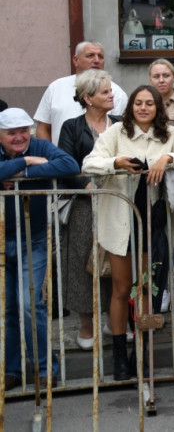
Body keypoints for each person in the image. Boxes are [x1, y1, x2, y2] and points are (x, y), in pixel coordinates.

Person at [83, 86, 174, 381]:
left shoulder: (169, 134)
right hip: (122, 220)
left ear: (157, 108)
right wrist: (116, 163)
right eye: (139, 103)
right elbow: (88, 163)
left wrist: (169, 158)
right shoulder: (116, 133)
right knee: (123, 289)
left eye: (150, 103)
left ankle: (144, 351)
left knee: (147, 289)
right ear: (131, 106)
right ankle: (120, 355)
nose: (144, 107)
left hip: (154, 221)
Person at [1, 108, 78, 390]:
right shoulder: (30, 152)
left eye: (24, 130)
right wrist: (25, 162)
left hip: (32, 240)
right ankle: (11, 370)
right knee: (7, 308)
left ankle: (45, 368)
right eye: (12, 133)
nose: (20, 137)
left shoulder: (41, 146)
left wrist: (23, 169)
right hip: (0, 241)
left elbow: (69, 165)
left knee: (30, 304)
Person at [57, 70, 117, 351]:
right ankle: (85, 324)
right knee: (84, 264)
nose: (111, 95)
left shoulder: (119, 124)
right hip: (84, 206)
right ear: (88, 98)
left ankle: (113, 317)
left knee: (114, 261)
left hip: (116, 203)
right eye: (105, 92)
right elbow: (65, 164)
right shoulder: (72, 126)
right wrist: (85, 184)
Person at [148, 59, 174, 313]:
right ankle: (161, 289)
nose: (161, 80)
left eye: (165, 75)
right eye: (156, 76)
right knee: (156, 234)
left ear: (173, 77)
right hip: (151, 178)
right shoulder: (144, 101)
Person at [33, 41, 128, 145]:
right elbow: (43, 129)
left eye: (100, 56)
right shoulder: (56, 88)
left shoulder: (117, 93)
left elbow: (123, 132)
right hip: (62, 158)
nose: (96, 60)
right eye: (90, 56)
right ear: (76, 60)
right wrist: (51, 157)